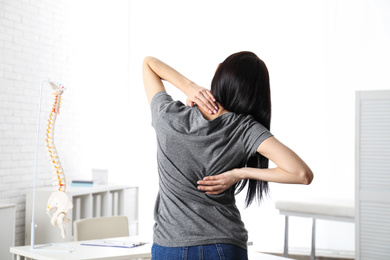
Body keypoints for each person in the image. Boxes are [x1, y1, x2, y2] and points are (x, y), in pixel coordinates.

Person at [142, 51, 313, 260]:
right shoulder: (245, 130)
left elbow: (149, 64)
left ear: (218, 73)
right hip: (225, 246)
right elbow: (302, 174)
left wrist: (190, 86)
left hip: (172, 245)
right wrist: (240, 173)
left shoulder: (168, 116)